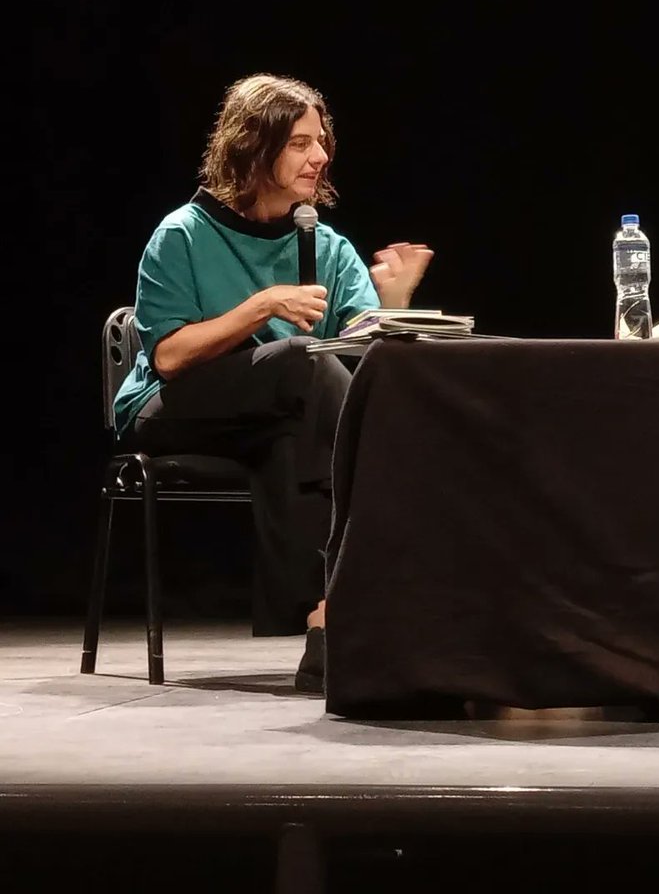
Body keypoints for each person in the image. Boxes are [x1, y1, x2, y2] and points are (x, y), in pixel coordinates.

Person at [112, 73, 434, 692]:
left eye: (321, 142)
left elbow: (362, 361)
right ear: (253, 147)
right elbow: (172, 357)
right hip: (175, 406)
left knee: (303, 424)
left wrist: (393, 306)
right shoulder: (182, 234)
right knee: (301, 360)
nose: (319, 157)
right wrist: (262, 306)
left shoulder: (327, 245)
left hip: (283, 412)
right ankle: (391, 576)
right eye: (299, 143)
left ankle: (325, 620)